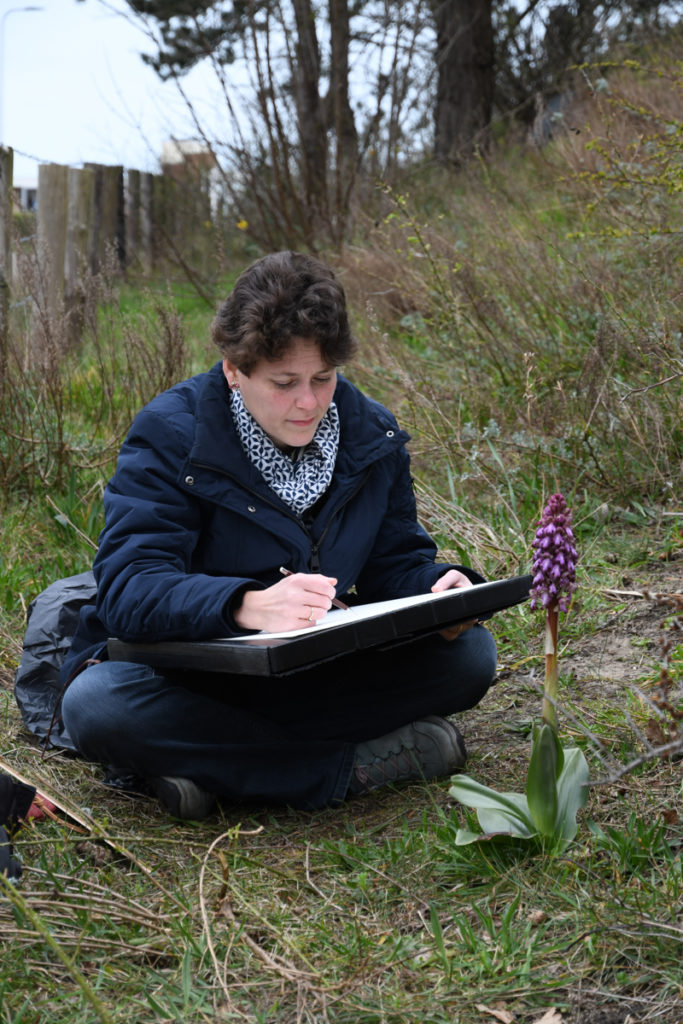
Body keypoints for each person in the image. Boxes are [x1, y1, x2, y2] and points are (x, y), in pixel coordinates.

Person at [60, 251, 497, 819]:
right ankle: (344, 770)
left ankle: (210, 767)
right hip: (197, 678)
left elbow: (395, 563)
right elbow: (129, 588)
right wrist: (244, 604)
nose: (310, 402)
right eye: (285, 382)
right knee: (98, 706)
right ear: (233, 371)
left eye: (323, 378)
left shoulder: (370, 432)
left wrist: (438, 590)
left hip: (312, 671)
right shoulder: (171, 433)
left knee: (468, 656)